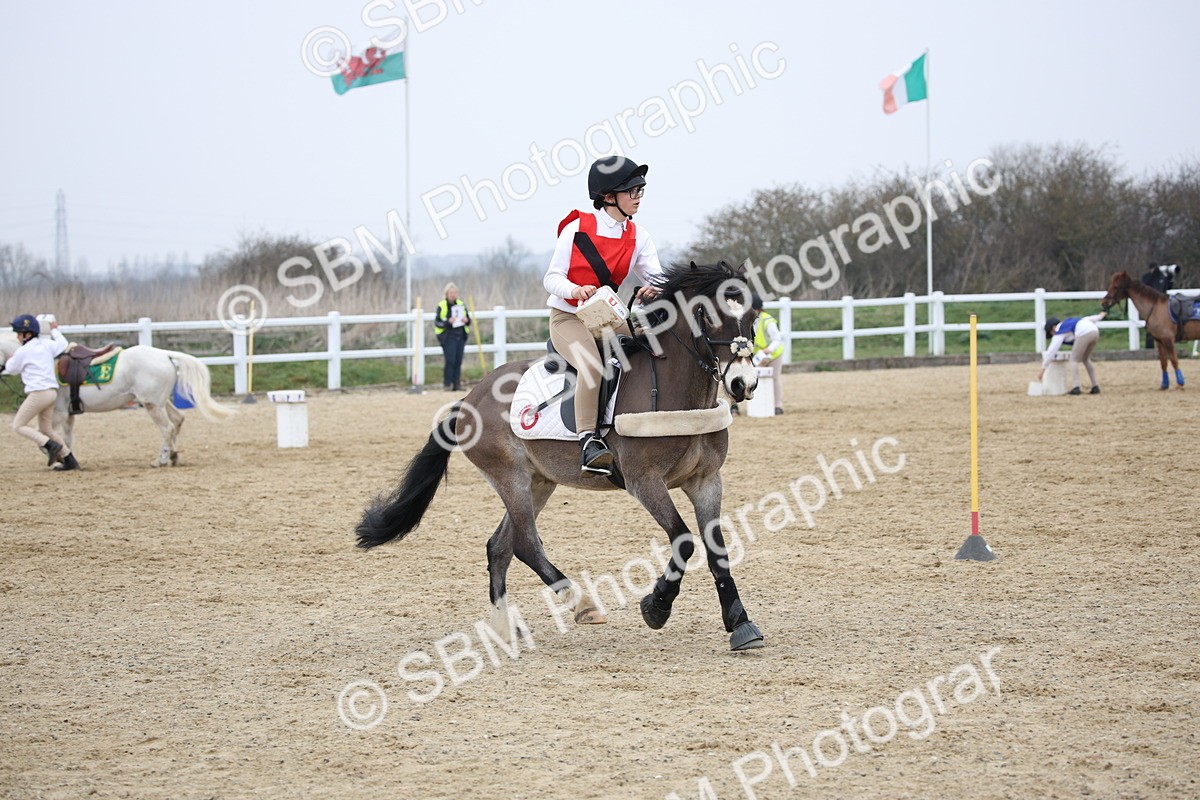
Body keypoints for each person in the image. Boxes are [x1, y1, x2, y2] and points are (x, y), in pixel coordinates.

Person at [543, 155, 663, 475]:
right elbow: (551, 278)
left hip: (606, 318)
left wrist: (654, 290)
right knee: (592, 365)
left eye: (641, 190)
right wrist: (574, 290)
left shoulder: (639, 236)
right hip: (568, 317)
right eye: (632, 191)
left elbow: (657, 278)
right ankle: (588, 441)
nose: (638, 196)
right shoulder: (577, 226)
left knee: (642, 354)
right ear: (609, 197)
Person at [2, 314, 81, 470]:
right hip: (51, 393)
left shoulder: (22, 351)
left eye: (19, 333)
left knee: (18, 425)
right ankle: (69, 459)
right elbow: (62, 343)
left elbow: (11, 369)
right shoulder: (46, 344)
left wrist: (10, 359)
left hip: (38, 394)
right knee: (47, 430)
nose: (17, 337)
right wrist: (55, 330)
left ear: (27, 334)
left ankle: (49, 445)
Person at [731, 294, 784, 416]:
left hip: (773, 354)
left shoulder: (767, 320)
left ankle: (777, 405)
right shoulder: (743, 320)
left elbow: (777, 339)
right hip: (753, 355)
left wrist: (768, 350)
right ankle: (734, 406)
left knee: (775, 378)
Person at [1038, 311, 1107, 395]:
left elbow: (1051, 351)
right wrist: (1101, 315)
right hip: (1095, 332)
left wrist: (1043, 369)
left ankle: (1076, 387)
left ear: (1053, 327)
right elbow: (1091, 318)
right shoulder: (1071, 322)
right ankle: (1095, 386)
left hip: (1083, 333)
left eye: (1051, 333)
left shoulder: (1060, 331)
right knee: (1086, 359)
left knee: (1073, 359)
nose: (1053, 335)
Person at [434, 282, 471, 391]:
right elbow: (437, 322)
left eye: (454, 292)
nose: (453, 295)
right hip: (448, 336)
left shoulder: (461, 304)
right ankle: (447, 384)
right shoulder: (442, 305)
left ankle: (457, 384)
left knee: (458, 360)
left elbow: (469, 321)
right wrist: (448, 322)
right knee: (450, 360)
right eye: (451, 293)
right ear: (446, 293)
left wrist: (466, 320)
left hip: (460, 335)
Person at [1141, 261, 1176, 348]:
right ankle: (1149, 347)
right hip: (1151, 305)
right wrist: (1154, 274)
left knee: (1163, 325)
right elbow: (1144, 284)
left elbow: (1169, 286)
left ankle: (1164, 346)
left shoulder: (1162, 277)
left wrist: (1170, 276)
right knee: (1150, 326)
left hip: (1162, 305)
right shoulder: (1147, 277)